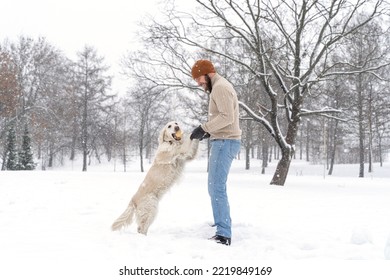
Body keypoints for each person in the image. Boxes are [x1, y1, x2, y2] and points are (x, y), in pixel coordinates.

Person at [190, 59, 241, 246]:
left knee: (216, 187)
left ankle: (224, 234)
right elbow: (224, 117)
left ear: (207, 73)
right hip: (222, 140)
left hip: (225, 142)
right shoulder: (219, 86)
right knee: (214, 187)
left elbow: (227, 117)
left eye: (199, 79)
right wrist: (208, 131)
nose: (198, 83)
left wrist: (204, 128)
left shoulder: (220, 87)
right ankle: (221, 224)